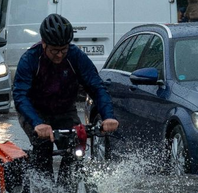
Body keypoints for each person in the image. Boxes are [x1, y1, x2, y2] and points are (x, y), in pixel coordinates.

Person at [13, 13, 119, 176]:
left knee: (76, 147)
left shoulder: (76, 57)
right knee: (43, 147)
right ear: (44, 44)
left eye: (64, 49)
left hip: (65, 110)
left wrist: (108, 116)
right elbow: (20, 96)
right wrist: (37, 123)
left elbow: (97, 87)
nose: (60, 55)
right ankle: (42, 191)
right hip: (35, 111)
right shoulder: (30, 59)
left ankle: (69, 187)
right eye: (55, 51)